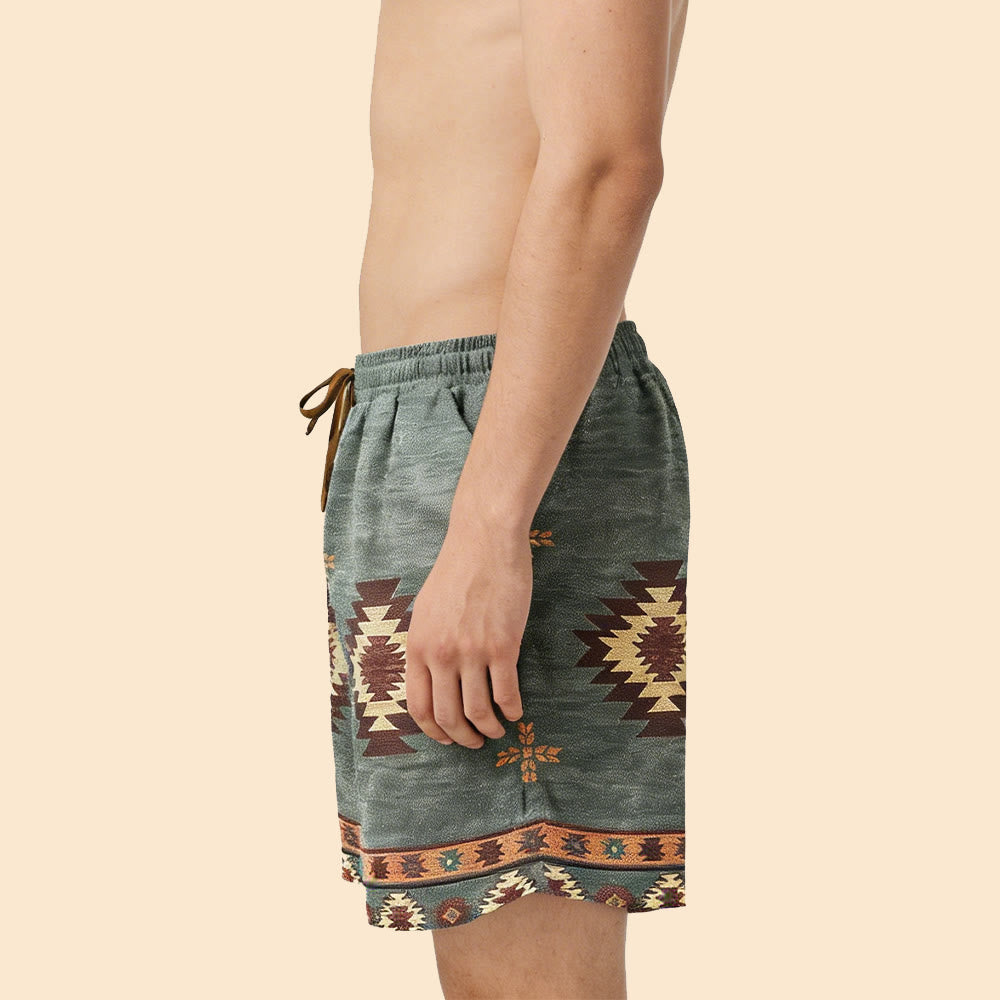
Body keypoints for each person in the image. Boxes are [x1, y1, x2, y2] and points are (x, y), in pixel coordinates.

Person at [299, 2, 690, 997]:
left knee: (531, 976)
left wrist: (489, 525)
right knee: (482, 969)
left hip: (505, 440)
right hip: (422, 424)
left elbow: (607, 165)